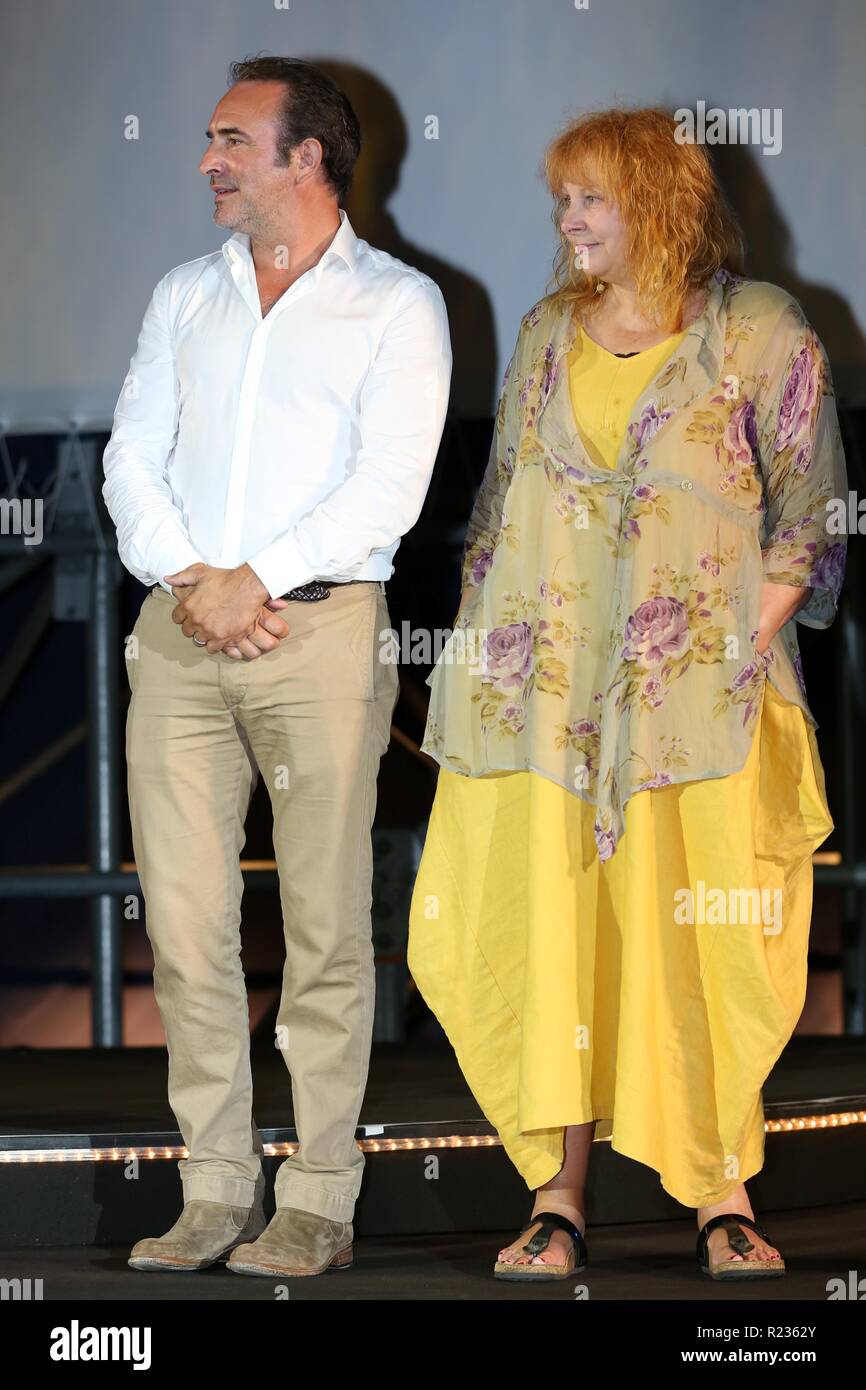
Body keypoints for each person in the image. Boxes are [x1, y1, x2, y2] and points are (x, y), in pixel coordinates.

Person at [408, 106, 847, 1283]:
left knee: (696, 944)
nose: (566, 219)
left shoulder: (760, 331)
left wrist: (728, 660)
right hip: (550, 713)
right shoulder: (548, 332)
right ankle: (557, 1200)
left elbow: (807, 520)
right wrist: (472, 676)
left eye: (589, 196)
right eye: (562, 199)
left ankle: (721, 1196)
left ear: (658, 196)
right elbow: (500, 511)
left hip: (697, 718)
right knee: (554, 939)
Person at [102, 55, 451, 1278]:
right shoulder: (182, 295)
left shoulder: (398, 303)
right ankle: (212, 1188)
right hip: (181, 634)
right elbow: (129, 460)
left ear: (306, 157)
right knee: (189, 929)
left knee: (321, 928)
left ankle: (315, 1195)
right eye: (207, 137)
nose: (207, 159)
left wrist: (257, 578)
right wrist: (199, 583)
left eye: (231, 140)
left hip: (318, 635)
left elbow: (389, 486)